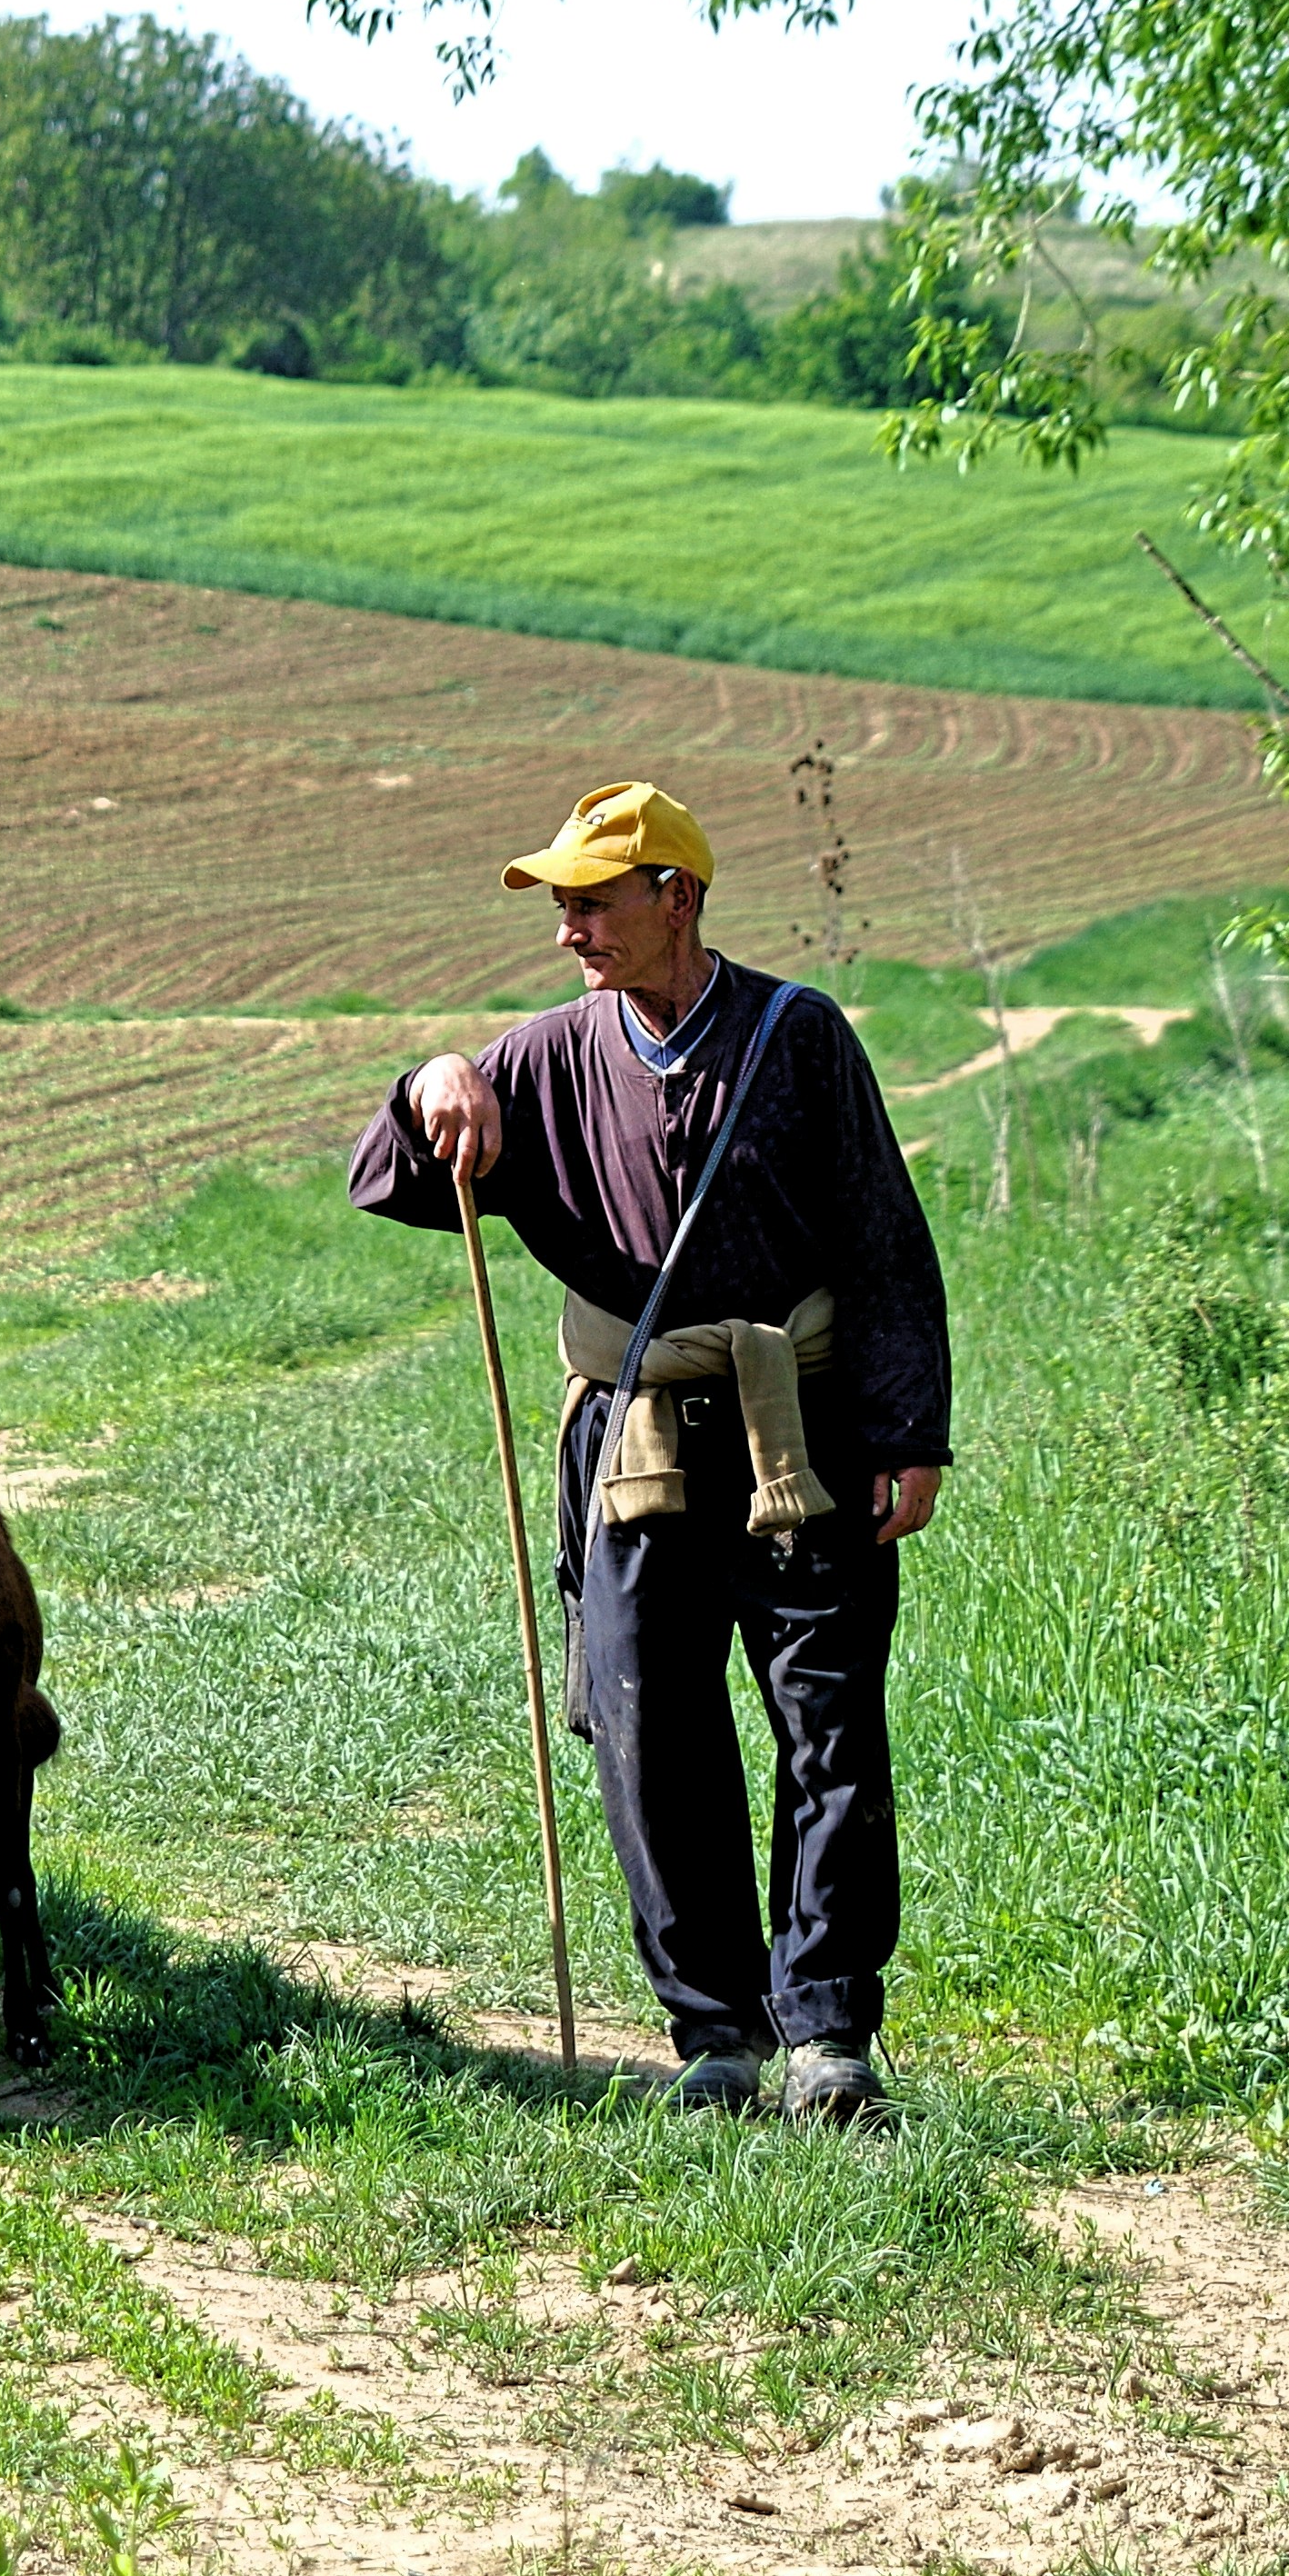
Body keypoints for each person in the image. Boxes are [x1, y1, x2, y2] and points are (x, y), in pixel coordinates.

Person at [349, 779, 949, 2122]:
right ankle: (715, 2037)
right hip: (634, 1446)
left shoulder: (800, 1039)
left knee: (828, 1727)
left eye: (594, 902)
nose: (570, 931)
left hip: (804, 1430)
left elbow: (884, 1242)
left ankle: (827, 2038)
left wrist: (909, 1433)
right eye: (560, 907)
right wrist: (427, 1082)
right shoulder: (547, 1057)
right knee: (648, 1729)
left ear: (677, 896)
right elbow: (394, 1181)